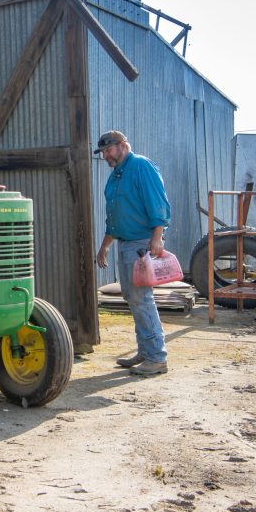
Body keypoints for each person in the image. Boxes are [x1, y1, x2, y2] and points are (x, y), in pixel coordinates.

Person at [93, 130, 171, 376]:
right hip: (125, 243)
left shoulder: (140, 165)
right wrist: (105, 245)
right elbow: (116, 215)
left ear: (123, 145)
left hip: (140, 244)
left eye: (109, 150)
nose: (105, 155)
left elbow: (158, 202)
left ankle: (157, 357)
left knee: (141, 299)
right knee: (132, 297)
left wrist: (157, 236)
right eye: (103, 152)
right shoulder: (117, 175)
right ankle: (146, 351)